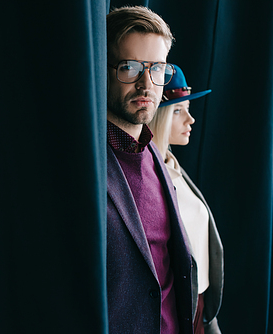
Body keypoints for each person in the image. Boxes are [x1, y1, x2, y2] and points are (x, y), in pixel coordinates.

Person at [106, 6, 194, 334]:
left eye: (157, 68)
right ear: (105, 68)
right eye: (130, 68)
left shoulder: (155, 156)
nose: (147, 84)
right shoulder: (84, 168)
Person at [148, 64, 224, 334]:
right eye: (178, 111)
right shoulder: (148, 179)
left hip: (199, 307)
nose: (190, 120)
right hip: (171, 312)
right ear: (159, 116)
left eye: (188, 110)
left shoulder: (174, 167)